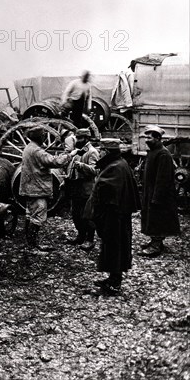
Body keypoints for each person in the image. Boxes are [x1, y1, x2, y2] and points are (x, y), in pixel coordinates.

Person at [87, 139, 140, 295]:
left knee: (115, 246)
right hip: (117, 214)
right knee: (113, 246)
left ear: (108, 151)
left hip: (114, 215)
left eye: (102, 150)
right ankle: (112, 277)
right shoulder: (118, 163)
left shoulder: (116, 167)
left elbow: (108, 191)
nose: (100, 152)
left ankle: (114, 284)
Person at [20, 126, 76, 251]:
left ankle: (29, 243)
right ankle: (32, 246)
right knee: (38, 217)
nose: (44, 137)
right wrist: (70, 155)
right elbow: (55, 162)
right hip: (37, 188)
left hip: (29, 187)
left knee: (30, 215)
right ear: (39, 137)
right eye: (43, 135)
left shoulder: (29, 147)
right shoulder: (37, 151)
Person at [139, 125, 180, 258]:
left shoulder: (163, 154)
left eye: (149, 138)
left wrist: (157, 197)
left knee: (158, 217)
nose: (146, 140)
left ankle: (156, 245)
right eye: (146, 137)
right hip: (150, 191)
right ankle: (154, 240)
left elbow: (163, 179)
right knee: (150, 216)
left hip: (159, 194)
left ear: (157, 138)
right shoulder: (153, 152)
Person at [64, 128, 99, 251]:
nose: (77, 140)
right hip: (76, 188)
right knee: (76, 214)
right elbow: (71, 168)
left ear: (87, 138)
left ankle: (89, 240)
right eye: (76, 138)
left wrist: (82, 166)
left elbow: (95, 170)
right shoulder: (78, 151)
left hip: (86, 188)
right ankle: (80, 236)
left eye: (80, 138)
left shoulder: (92, 152)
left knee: (87, 215)